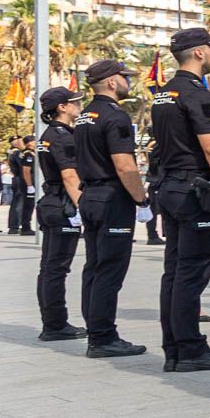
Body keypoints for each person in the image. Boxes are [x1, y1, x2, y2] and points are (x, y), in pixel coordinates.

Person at [148, 27, 210, 373]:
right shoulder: (196, 93)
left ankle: (174, 346)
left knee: (174, 270)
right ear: (200, 52)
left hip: (171, 187)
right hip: (194, 191)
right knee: (192, 272)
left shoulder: (163, 93)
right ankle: (189, 348)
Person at [74, 59, 154, 358]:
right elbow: (124, 165)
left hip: (91, 195)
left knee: (94, 267)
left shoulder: (85, 115)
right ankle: (103, 337)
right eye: (124, 77)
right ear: (110, 82)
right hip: (111, 198)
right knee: (110, 269)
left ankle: (95, 330)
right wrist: (141, 200)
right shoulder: (115, 116)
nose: (128, 81)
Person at [33, 88, 87, 341]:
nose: (79, 106)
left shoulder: (49, 134)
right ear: (62, 107)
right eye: (75, 102)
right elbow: (69, 175)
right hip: (62, 205)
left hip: (51, 203)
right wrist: (80, 208)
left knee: (49, 268)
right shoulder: (63, 137)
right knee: (56, 269)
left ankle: (53, 322)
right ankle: (55, 325)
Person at [9, 137, 35, 235]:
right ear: (30, 143)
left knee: (29, 205)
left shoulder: (30, 153)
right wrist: (29, 185)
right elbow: (26, 170)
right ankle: (25, 227)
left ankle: (26, 226)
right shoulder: (28, 154)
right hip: (28, 182)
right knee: (27, 206)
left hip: (29, 182)